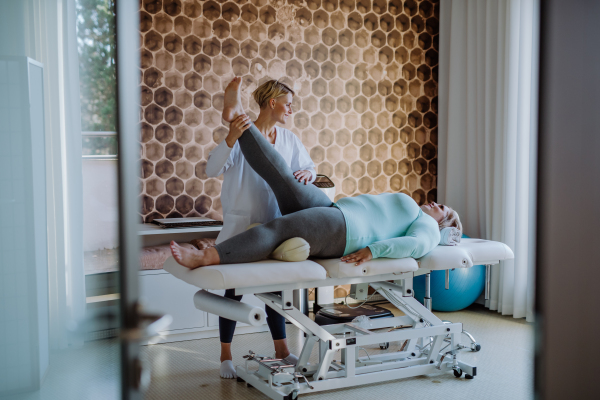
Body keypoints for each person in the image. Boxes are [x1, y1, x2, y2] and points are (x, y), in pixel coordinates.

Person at [171, 77, 462, 270]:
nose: (437, 205)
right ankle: (235, 115)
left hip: (344, 230)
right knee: (283, 176)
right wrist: (308, 175)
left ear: (442, 226)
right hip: (334, 210)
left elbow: (416, 245)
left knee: (277, 229)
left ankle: (205, 256)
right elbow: (215, 168)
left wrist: (374, 251)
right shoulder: (417, 212)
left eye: (443, 210)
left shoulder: (426, 227)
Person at [205, 79, 317, 379]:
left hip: (274, 227)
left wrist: (309, 171)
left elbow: (310, 166)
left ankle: (281, 350)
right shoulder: (243, 136)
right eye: (288, 102)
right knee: (234, 294)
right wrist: (230, 138)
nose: (291, 108)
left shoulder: (289, 139)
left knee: (276, 293)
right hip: (241, 226)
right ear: (272, 102)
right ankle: (225, 356)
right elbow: (210, 170)